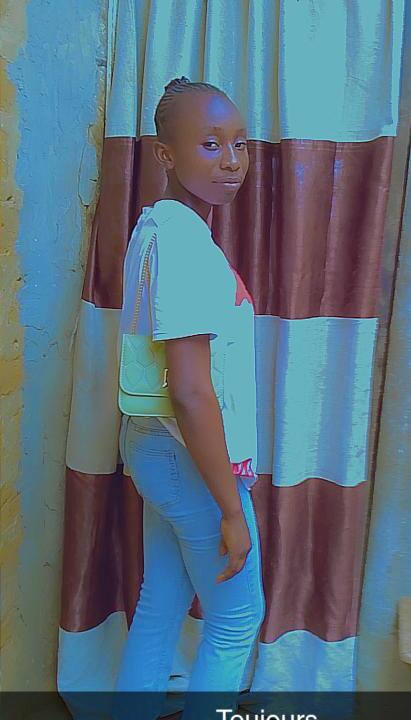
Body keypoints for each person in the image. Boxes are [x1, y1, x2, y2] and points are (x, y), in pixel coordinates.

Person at [113, 76, 265, 720]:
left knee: (163, 599)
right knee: (236, 617)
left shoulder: (156, 229)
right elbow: (191, 389)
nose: (231, 161)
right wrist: (231, 509)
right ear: (165, 154)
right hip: (186, 454)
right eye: (210, 144)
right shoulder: (183, 244)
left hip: (156, 447)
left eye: (240, 143)